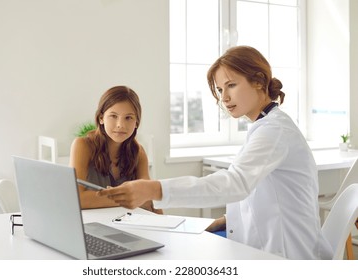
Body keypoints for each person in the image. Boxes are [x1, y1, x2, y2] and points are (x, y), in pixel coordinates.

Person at [98, 46, 333, 259]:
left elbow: (235, 184)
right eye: (220, 89)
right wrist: (225, 221)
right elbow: (263, 196)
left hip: (286, 257)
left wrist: (154, 189)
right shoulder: (264, 127)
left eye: (231, 85)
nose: (224, 97)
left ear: (259, 81)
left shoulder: (274, 131)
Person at [69, 85, 162, 213]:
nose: (120, 125)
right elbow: (76, 198)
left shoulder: (138, 152)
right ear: (101, 118)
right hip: (93, 226)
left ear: (136, 123)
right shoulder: (82, 146)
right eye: (113, 116)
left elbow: (148, 200)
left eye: (128, 118)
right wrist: (131, 197)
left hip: (128, 225)